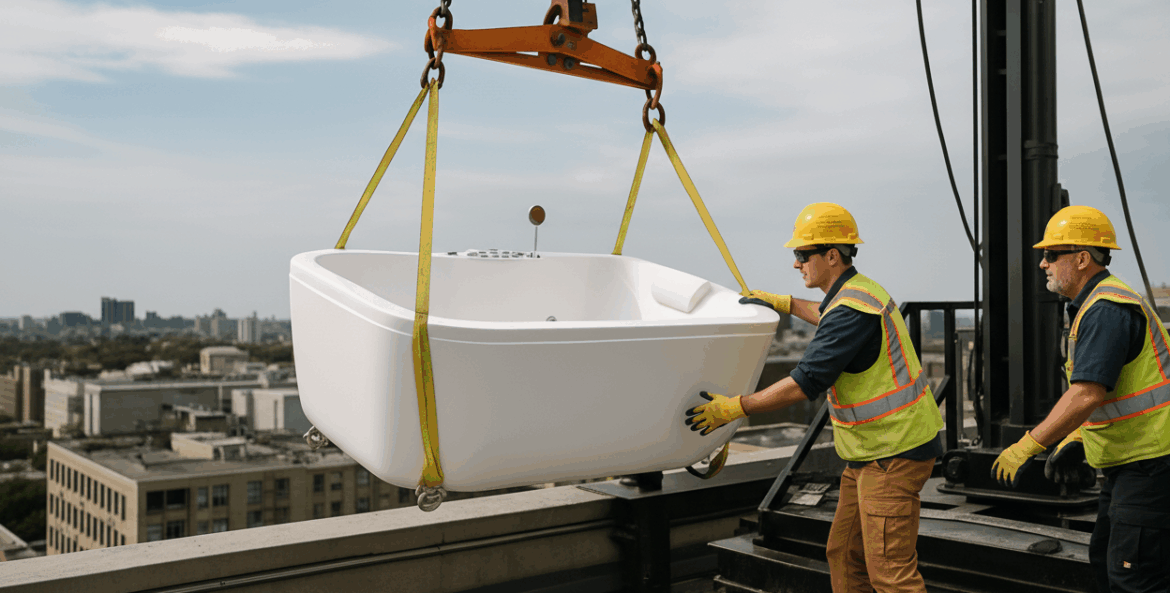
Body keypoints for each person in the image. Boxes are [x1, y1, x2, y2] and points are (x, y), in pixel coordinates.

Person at [685, 202, 944, 593]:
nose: (796, 264)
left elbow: (803, 382)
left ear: (832, 256)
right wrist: (784, 303)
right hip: (872, 453)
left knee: (891, 576)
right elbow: (827, 314)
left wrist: (735, 407)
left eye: (801, 255)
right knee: (844, 554)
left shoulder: (851, 310)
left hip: (893, 454)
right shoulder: (857, 293)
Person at [991, 205, 1170, 593]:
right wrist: (1076, 438)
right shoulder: (1093, 306)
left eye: (1052, 255)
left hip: (1151, 466)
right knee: (1106, 561)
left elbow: (1087, 392)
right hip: (1130, 463)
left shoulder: (1106, 308)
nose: (1043, 264)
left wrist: (1028, 445)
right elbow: (1116, 392)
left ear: (1083, 259)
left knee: (1133, 577)